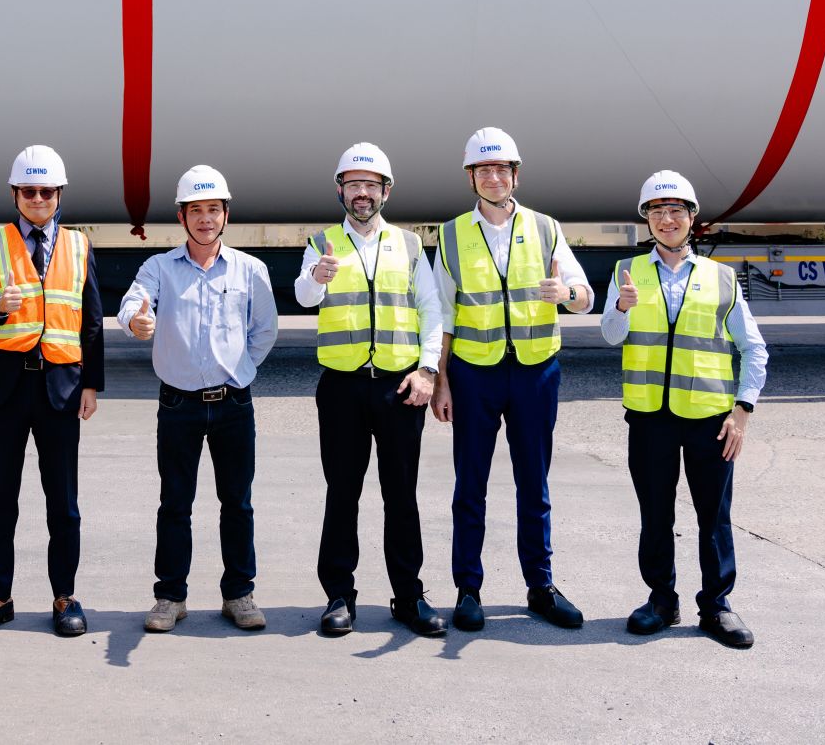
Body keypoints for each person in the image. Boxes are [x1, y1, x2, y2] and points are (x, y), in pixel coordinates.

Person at [431, 128, 593, 633]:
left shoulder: (546, 228)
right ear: (471, 177)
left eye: (501, 169)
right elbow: (442, 315)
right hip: (474, 374)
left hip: (534, 372)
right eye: (484, 170)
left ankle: (540, 586)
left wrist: (565, 293)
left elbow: (585, 296)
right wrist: (441, 381)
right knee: (469, 485)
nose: (493, 177)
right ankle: (468, 589)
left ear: (515, 175)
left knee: (534, 483)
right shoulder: (451, 235)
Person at [603, 170, 769, 650]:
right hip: (649, 417)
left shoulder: (721, 277)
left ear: (692, 218)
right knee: (655, 513)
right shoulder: (626, 271)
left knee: (713, 517)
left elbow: (754, 348)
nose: (667, 219)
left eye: (676, 210)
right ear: (647, 220)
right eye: (657, 211)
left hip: (710, 420)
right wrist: (621, 307)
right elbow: (611, 335)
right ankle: (661, 601)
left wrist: (742, 411)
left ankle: (717, 606)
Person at [294, 142, 447, 637]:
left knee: (401, 495)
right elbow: (304, 297)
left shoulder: (409, 244)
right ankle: (339, 595)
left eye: (371, 185)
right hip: (342, 387)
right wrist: (317, 277)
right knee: (343, 493)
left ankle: (409, 596)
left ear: (386, 191)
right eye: (353, 184)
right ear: (340, 190)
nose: (362, 193)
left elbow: (430, 309)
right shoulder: (321, 243)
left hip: (399, 388)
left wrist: (427, 371)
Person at [120, 165, 279, 633]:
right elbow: (132, 303)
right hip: (178, 405)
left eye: (213, 209)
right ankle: (170, 597)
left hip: (233, 405)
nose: (205, 219)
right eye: (195, 210)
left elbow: (264, 329)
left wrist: (241, 369)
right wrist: (136, 322)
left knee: (238, 502)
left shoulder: (251, 270)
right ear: (181, 216)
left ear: (226, 214)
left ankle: (239, 594)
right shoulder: (159, 268)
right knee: (175, 503)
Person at [0, 145, 105, 638]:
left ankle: (65, 596)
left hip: (60, 389)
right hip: (7, 386)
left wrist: (92, 383)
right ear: (14, 194)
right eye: (29, 191)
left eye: (46, 191)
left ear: (59, 194)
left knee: (63, 501)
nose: (38, 199)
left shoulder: (80, 246)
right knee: (0, 498)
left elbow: (91, 321)